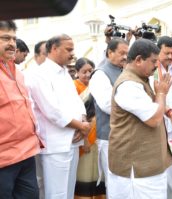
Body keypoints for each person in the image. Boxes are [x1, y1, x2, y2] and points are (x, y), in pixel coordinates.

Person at [108, 38, 172, 199]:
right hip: (137, 169)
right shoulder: (128, 85)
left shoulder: (140, 80)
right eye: (153, 62)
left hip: (145, 166)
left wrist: (170, 112)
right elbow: (154, 119)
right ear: (138, 60)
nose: (155, 66)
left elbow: (153, 108)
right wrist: (161, 93)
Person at [28, 34, 91, 199]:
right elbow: (52, 111)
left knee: (68, 191)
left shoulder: (63, 72)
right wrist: (80, 126)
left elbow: (76, 101)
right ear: (54, 49)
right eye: (68, 49)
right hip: (54, 145)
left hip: (73, 140)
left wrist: (83, 121)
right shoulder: (39, 74)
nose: (72, 54)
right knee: (55, 193)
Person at [0, 20, 42, 199]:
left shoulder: (16, 72)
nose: (12, 43)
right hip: (3, 160)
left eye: (14, 39)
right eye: (5, 38)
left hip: (26, 153)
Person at [89, 38, 129, 186]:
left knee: (125, 182)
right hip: (109, 138)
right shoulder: (100, 74)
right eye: (122, 53)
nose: (125, 57)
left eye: (127, 53)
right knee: (115, 183)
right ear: (110, 52)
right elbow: (107, 105)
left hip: (126, 136)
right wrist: (135, 107)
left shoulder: (124, 71)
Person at [73, 58, 104, 199]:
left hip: (98, 136)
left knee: (97, 172)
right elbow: (76, 116)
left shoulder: (97, 86)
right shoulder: (73, 87)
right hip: (83, 137)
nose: (87, 75)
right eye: (83, 72)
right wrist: (85, 139)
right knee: (84, 173)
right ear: (76, 72)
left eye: (90, 71)